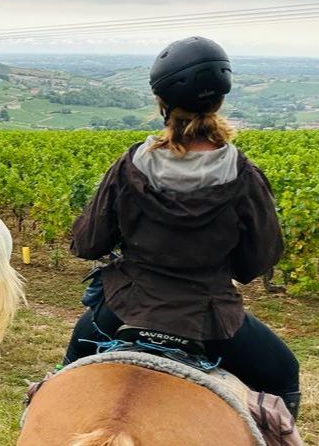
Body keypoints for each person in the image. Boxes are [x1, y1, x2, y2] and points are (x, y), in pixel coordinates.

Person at [62, 36, 301, 419]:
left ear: (162, 103)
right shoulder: (243, 175)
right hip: (210, 316)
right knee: (284, 374)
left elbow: (89, 243)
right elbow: (255, 263)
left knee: (70, 367)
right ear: (220, 101)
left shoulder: (130, 165)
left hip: (127, 307)